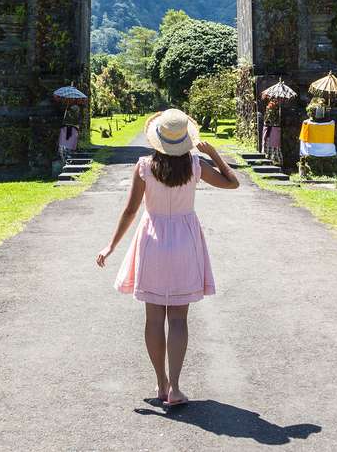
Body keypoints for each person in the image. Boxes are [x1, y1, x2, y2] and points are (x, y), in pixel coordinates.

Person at [95, 108, 239, 409]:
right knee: (178, 319)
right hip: (185, 242)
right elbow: (232, 182)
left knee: (153, 318)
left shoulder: (145, 166)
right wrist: (214, 153)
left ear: (157, 139)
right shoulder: (196, 165)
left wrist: (111, 245)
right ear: (186, 140)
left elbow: (130, 210)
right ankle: (175, 386)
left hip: (152, 241)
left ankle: (160, 383)